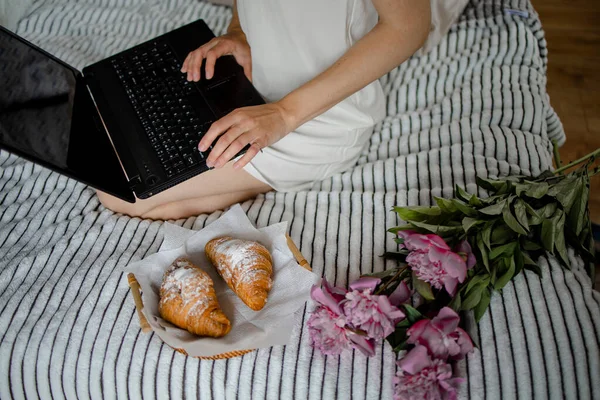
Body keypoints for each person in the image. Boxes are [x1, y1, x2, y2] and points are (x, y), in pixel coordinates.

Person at [97, 0, 431, 220]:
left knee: (120, 195)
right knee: (108, 122)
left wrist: (284, 114)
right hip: (246, 80)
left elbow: (407, 28)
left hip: (319, 115)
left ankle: (272, 180)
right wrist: (238, 31)